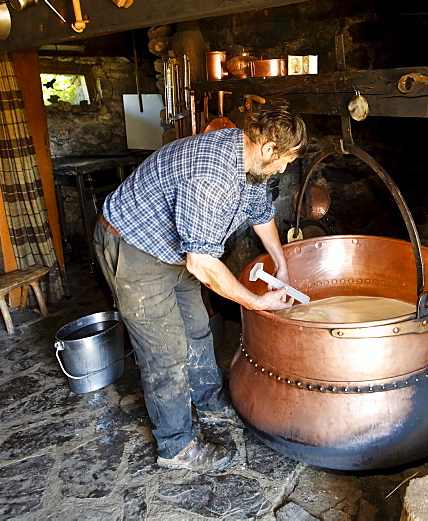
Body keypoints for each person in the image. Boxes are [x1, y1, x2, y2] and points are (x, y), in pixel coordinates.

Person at [93, 99, 308, 473]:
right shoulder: (212, 175)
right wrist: (258, 304)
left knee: (196, 329)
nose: (284, 168)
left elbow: (261, 213)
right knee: (165, 351)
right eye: (285, 160)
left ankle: (208, 400)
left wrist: (282, 265)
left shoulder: (249, 161)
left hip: (175, 247)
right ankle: (176, 445)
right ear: (269, 147)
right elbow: (203, 263)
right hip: (133, 246)